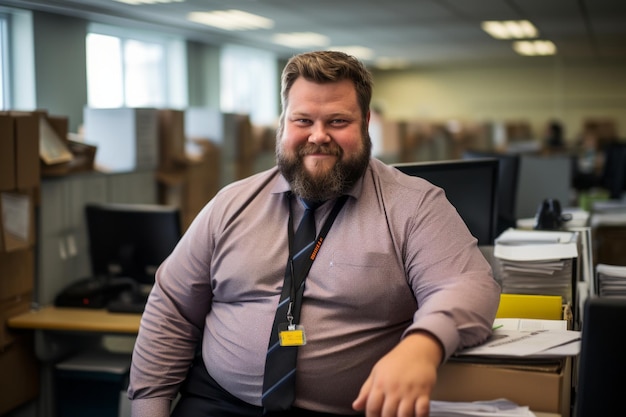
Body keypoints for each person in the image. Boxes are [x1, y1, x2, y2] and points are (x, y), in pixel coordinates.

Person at [128, 50, 501, 417]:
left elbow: (467, 285)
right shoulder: (232, 203)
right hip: (217, 401)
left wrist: (423, 346)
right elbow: (172, 307)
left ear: (366, 122)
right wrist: (149, 407)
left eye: (337, 121)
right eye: (303, 120)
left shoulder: (413, 205)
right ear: (283, 123)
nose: (318, 136)